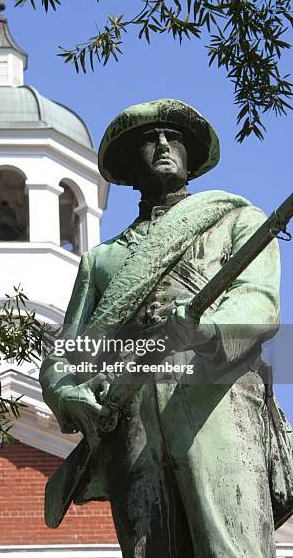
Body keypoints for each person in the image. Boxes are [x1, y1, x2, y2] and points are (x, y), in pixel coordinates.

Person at [40, 99, 291, 557]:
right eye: (147, 140)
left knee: (231, 544)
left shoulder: (236, 220)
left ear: (189, 154)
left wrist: (206, 329)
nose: (161, 145)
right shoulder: (102, 259)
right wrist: (66, 393)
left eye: (171, 137)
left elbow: (259, 300)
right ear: (128, 163)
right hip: (132, 419)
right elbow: (68, 354)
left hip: (214, 398)